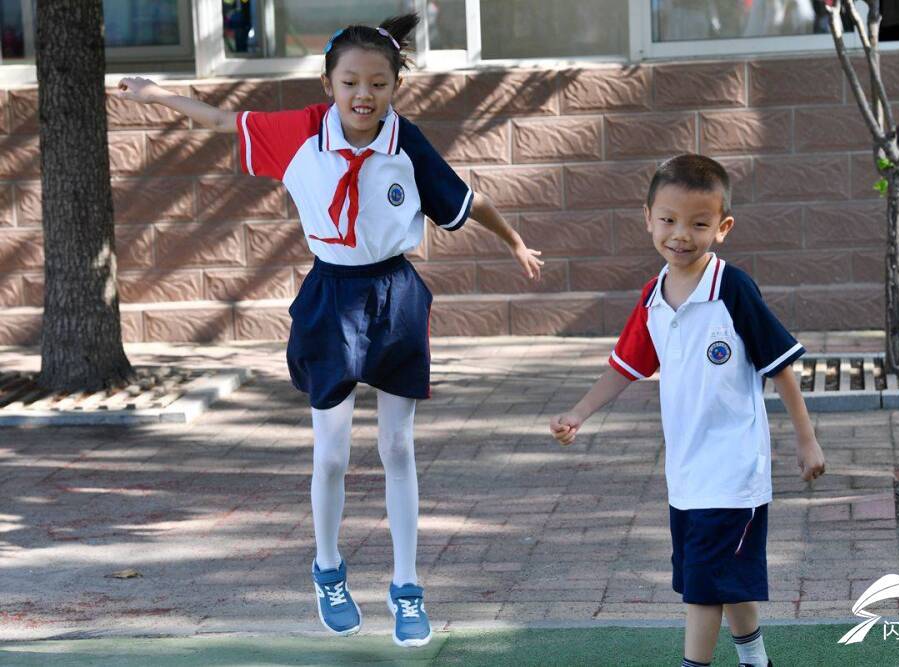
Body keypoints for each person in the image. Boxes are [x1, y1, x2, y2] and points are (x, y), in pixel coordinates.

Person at [117, 12, 543, 649]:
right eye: (350, 83)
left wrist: (515, 242)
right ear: (329, 84)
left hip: (395, 294)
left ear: (396, 85)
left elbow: (464, 200)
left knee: (398, 449)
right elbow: (220, 119)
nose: (363, 95)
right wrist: (155, 94)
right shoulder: (299, 135)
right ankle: (327, 571)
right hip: (331, 296)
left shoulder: (406, 142)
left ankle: (406, 588)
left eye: (378, 83)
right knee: (333, 454)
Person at [550, 154, 824, 667]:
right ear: (648, 218)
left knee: (703, 587)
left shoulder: (733, 290)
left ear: (722, 228)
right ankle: (756, 660)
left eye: (699, 224)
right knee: (724, 576)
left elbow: (780, 366)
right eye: (669, 220)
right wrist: (580, 412)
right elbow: (625, 365)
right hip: (686, 471)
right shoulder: (653, 296)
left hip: (733, 469)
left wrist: (805, 439)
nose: (681, 234)